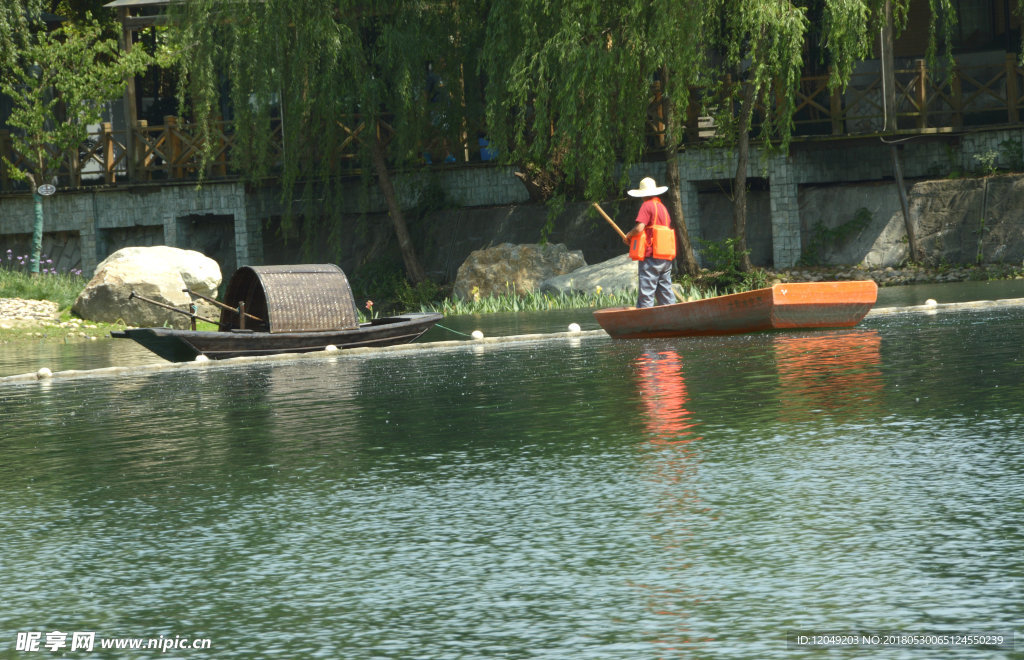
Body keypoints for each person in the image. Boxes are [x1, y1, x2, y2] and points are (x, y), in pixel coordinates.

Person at [623, 176, 676, 308]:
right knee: (665, 290)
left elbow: (640, 227)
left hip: (651, 256)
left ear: (642, 194)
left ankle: (644, 320)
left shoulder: (646, 206)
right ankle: (671, 315)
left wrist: (628, 235)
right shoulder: (663, 208)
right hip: (665, 258)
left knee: (646, 292)